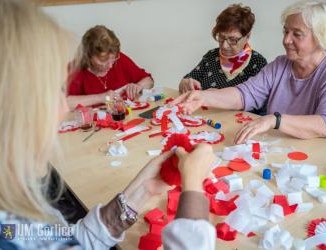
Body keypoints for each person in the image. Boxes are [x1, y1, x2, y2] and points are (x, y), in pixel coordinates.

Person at [0, 1, 216, 249]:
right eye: (51, 92)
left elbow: (70, 239)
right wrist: (193, 190)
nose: (62, 109)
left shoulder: (15, 222)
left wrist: (142, 190)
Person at [173, 0, 326, 144]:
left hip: (313, 152)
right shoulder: (280, 64)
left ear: (321, 37)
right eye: (286, 31)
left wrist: (273, 120)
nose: (286, 40)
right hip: (275, 144)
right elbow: (245, 94)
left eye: (296, 34)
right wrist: (203, 97)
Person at [178, 3, 267, 94]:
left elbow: (259, 104)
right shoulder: (211, 56)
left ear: (247, 36)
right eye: (221, 37)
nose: (224, 45)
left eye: (232, 40)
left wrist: (219, 97)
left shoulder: (258, 63)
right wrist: (184, 82)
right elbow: (190, 79)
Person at [67, 25, 154, 110]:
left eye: (113, 59)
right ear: (88, 56)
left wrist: (138, 86)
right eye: (103, 61)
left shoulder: (120, 60)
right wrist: (100, 98)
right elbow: (64, 103)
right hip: (91, 123)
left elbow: (149, 81)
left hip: (125, 119)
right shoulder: (76, 69)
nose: (110, 65)